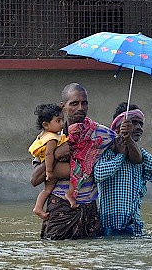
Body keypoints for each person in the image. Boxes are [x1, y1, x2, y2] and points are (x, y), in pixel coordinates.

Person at [30, 83, 102, 240]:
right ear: (63, 106)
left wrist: (125, 135)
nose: (80, 108)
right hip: (60, 210)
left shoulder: (98, 133)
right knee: (57, 256)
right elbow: (35, 179)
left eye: (84, 103)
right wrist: (55, 154)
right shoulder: (50, 138)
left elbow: (121, 147)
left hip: (90, 211)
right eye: (74, 103)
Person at [94, 102, 152, 237]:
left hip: (134, 227)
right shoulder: (108, 152)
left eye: (141, 124)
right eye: (133, 123)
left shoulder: (140, 156)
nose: (139, 128)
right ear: (119, 126)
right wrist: (121, 156)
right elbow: (99, 174)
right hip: (110, 227)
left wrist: (131, 143)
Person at [28, 104, 69, 220]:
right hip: (50, 167)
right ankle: (38, 207)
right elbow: (49, 154)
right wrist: (49, 171)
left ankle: (38, 207)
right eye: (58, 121)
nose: (61, 124)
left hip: (46, 165)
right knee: (75, 172)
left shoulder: (43, 135)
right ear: (46, 125)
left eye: (62, 120)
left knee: (47, 190)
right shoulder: (52, 139)